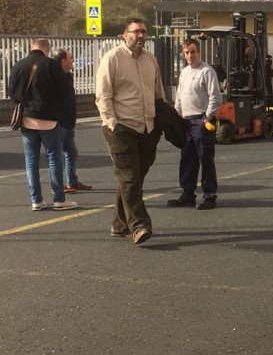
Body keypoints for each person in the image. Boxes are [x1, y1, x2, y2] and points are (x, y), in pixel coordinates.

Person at [95, 18, 165, 244]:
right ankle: (139, 225)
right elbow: (103, 95)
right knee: (130, 177)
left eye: (144, 31)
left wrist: (161, 122)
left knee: (134, 178)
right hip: (122, 127)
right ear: (124, 34)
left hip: (147, 127)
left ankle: (119, 223)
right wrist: (112, 123)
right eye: (136, 32)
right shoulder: (112, 58)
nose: (141, 36)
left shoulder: (150, 60)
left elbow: (158, 93)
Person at [8, 37, 79, 212]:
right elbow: (65, 90)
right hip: (48, 119)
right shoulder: (51, 65)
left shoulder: (19, 65)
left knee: (31, 161)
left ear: (32, 48)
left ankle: (36, 200)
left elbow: (12, 91)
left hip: (26, 119)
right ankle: (59, 199)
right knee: (54, 158)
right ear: (46, 50)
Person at [167, 37, 222, 210]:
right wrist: (177, 117)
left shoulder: (207, 71)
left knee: (205, 158)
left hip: (201, 121)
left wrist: (207, 117)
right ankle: (187, 194)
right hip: (186, 121)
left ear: (199, 52)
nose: (190, 56)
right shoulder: (184, 72)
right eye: (186, 52)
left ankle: (209, 195)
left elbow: (216, 97)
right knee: (187, 158)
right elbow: (179, 96)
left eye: (193, 52)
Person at [53, 48, 92, 194]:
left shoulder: (68, 75)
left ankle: (72, 182)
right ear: (63, 61)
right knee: (56, 156)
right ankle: (57, 186)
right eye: (71, 58)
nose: (73, 60)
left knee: (72, 152)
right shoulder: (54, 76)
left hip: (69, 121)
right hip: (60, 122)